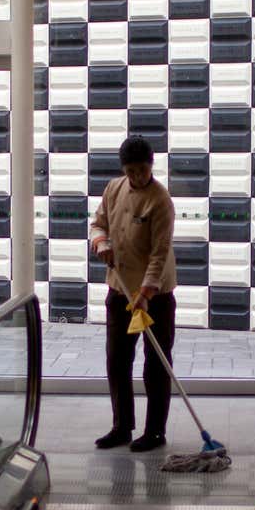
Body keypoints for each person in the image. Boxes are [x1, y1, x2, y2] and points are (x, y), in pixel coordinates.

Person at [89, 136, 177, 453]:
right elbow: (98, 223)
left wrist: (146, 292)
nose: (137, 176)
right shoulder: (114, 189)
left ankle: (155, 432)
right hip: (120, 291)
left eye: (142, 169)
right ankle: (121, 427)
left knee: (156, 364)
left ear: (150, 165)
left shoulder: (160, 200)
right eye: (131, 170)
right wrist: (101, 243)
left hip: (155, 297)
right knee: (117, 360)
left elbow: (160, 254)